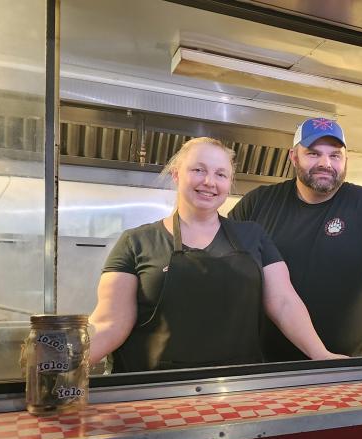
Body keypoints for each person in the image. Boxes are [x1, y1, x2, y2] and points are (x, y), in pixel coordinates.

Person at [88, 137, 344, 372]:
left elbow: (284, 302)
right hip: (154, 392)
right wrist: (63, 369)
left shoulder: (253, 236)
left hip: (238, 386)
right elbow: (110, 323)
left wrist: (320, 354)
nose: (209, 182)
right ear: (177, 175)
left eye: (221, 174)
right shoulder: (136, 242)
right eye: (198, 170)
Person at [229, 117, 362, 358]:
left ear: (346, 160)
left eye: (335, 155)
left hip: (345, 365)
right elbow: (229, 273)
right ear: (293, 157)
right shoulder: (258, 203)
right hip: (265, 365)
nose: (326, 163)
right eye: (313, 154)